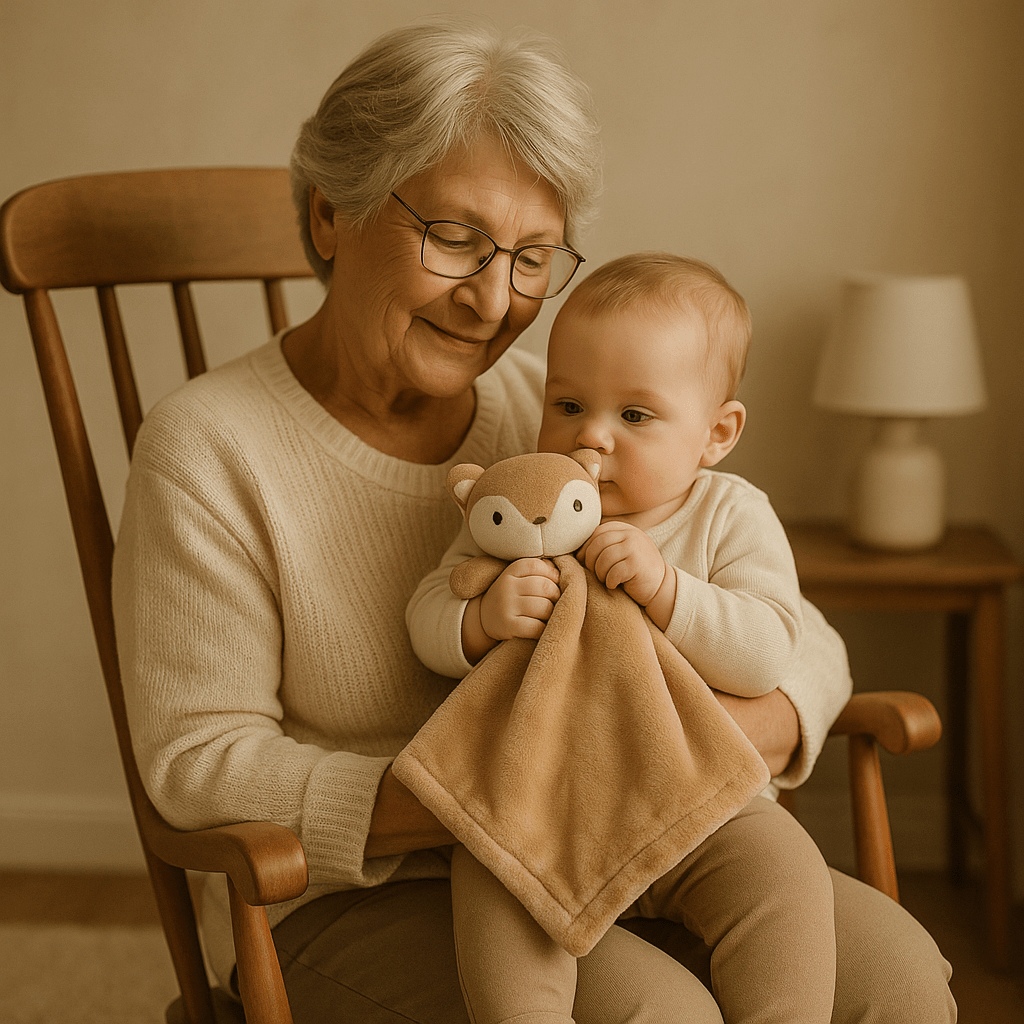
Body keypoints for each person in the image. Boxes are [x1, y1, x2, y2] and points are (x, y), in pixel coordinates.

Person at [110, 18, 956, 1024]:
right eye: (456, 239)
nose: (493, 299)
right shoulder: (210, 447)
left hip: (643, 835)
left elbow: (787, 625)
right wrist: (486, 788)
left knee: (898, 976)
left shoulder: (563, 411)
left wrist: (730, 733)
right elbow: (196, 763)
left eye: (532, 257)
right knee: (661, 1016)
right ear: (330, 214)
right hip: (367, 894)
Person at [407, 252, 839, 1024]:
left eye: (634, 416)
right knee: (493, 886)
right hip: (538, 800)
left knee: (787, 876)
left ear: (717, 432)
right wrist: (480, 620)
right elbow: (429, 613)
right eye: (568, 404)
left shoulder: (727, 515)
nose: (592, 437)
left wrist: (670, 592)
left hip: (702, 802)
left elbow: (771, 646)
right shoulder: (525, 509)